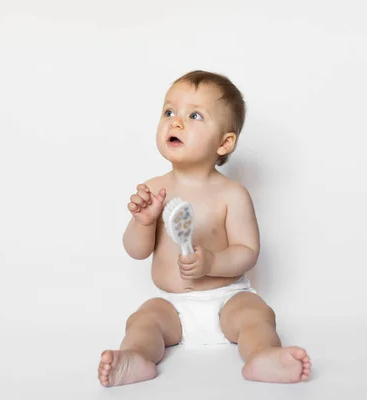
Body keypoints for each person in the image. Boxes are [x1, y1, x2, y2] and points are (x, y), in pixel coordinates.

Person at [97, 70, 311, 386]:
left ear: (224, 143)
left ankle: (263, 355)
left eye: (194, 115)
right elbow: (136, 251)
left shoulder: (232, 194)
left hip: (226, 297)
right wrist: (143, 222)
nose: (176, 122)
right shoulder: (154, 190)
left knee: (256, 316)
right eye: (169, 111)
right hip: (171, 304)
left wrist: (212, 263)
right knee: (143, 321)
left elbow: (247, 252)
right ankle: (136, 358)